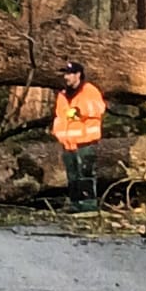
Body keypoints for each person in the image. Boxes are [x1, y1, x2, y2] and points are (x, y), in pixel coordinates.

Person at [51, 61, 106, 211]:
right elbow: (60, 115)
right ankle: (75, 204)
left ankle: (88, 206)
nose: (66, 77)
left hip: (85, 141)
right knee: (72, 176)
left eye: (69, 74)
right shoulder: (63, 94)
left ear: (78, 75)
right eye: (65, 74)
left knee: (86, 174)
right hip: (68, 143)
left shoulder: (89, 90)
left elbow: (99, 107)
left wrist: (79, 110)